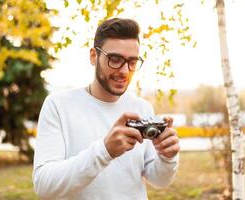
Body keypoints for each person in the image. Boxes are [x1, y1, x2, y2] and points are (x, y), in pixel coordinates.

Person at [33, 18, 180, 200]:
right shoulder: (58, 105)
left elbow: (159, 181)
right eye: (115, 59)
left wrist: (167, 157)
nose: (125, 71)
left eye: (132, 62)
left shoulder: (142, 107)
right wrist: (104, 151)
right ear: (94, 56)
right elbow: (44, 185)